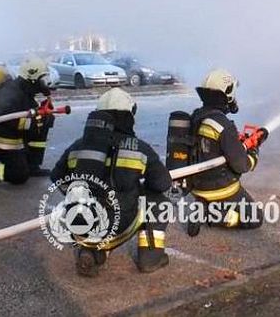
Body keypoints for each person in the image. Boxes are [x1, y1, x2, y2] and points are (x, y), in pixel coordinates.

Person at [51, 88, 172, 277]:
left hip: (82, 224)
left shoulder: (79, 145)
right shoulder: (138, 148)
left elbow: (56, 176)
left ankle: (90, 252)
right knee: (160, 201)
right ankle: (151, 257)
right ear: (129, 115)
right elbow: (162, 183)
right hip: (117, 224)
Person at [187, 69, 265, 235]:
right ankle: (210, 215)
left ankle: (207, 206)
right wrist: (254, 150)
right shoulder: (223, 124)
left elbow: (211, 145)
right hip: (221, 188)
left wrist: (238, 141)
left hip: (196, 186)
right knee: (255, 218)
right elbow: (242, 165)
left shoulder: (197, 116)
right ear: (227, 93)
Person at [0, 57, 53, 183]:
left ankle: (32, 165)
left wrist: (43, 118)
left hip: (12, 137)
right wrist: (38, 122)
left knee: (45, 122)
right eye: (42, 78)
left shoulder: (25, 90)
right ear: (32, 79)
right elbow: (10, 120)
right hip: (0, 140)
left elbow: (30, 116)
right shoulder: (11, 93)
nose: (45, 82)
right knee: (19, 175)